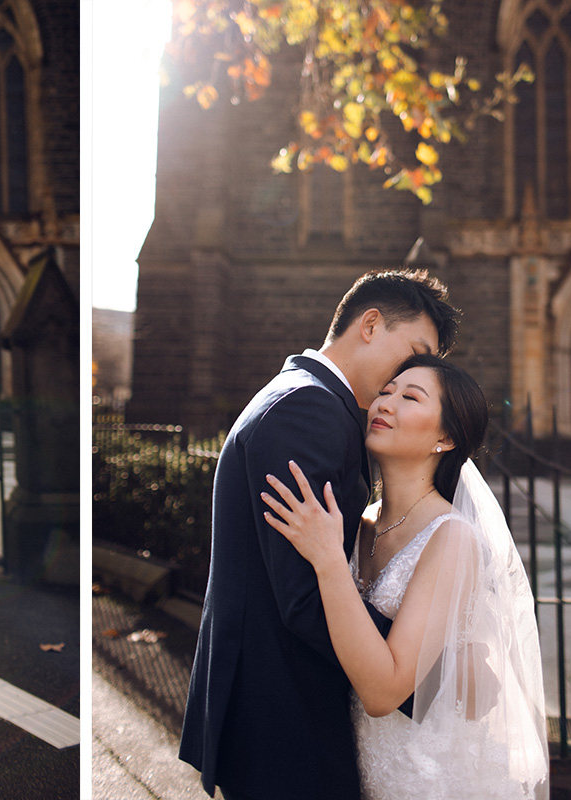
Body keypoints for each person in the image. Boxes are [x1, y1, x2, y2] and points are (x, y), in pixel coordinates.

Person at [178, 269, 459, 800]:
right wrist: (431, 676)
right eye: (415, 351)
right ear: (371, 324)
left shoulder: (302, 396)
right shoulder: (309, 411)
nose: (417, 370)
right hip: (284, 718)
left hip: (269, 712)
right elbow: (305, 597)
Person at [262, 354, 549, 799]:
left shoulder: (452, 537)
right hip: (360, 765)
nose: (385, 404)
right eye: (386, 391)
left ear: (446, 436)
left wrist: (328, 561)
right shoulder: (361, 522)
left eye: (410, 396)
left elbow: (384, 693)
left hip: (429, 774)